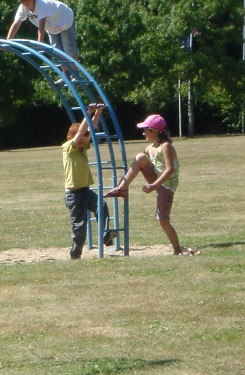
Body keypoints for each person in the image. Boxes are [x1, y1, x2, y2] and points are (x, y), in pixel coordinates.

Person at [105, 114, 196, 255]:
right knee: (140, 157)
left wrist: (154, 185)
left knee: (163, 219)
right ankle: (121, 188)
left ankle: (177, 250)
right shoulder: (150, 147)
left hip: (167, 184)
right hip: (156, 180)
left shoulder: (166, 146)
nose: (143, 133)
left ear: (154, 131)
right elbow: (138, 164)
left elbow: (170, 170)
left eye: (145, 130)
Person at [63, 103, 118, 259]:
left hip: (85, 191)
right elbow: (81, 132)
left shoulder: (82, 147)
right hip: (73, 195)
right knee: (80, 226)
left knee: (101, 205)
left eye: (84, 140)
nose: (82, 143)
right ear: (70, 138)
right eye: (80, 140)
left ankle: (106, 235)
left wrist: (97, 113)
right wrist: (88, 112)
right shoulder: (68, 147)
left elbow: (89, 130)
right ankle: (75, 253)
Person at [7, 0, 79, 59]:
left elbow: (41, 26)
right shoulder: (22, 8)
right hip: (51, 26)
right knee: (57, 51)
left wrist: (39, 43)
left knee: (69, 50)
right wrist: (8, 41)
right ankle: (64, 67)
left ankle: (74, 66)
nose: (25, 1)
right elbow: (16, 25)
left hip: (64, 20)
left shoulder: (41, 4)